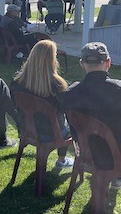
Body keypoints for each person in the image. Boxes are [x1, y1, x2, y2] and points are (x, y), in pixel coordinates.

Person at [61, 42, 121, 189]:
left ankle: (118, 176)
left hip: (87, 154)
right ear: (108, 62)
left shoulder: (70, 93)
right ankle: (120, 176)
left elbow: (72, 128)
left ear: (81, 64)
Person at [11, 40, 74, 168]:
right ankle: (61, 161)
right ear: (52, 59)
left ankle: (62, 160)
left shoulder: (17, 82)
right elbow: (65, 109)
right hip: (51, 133)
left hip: (27, 129)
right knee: (70, 123)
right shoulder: (57, 85)